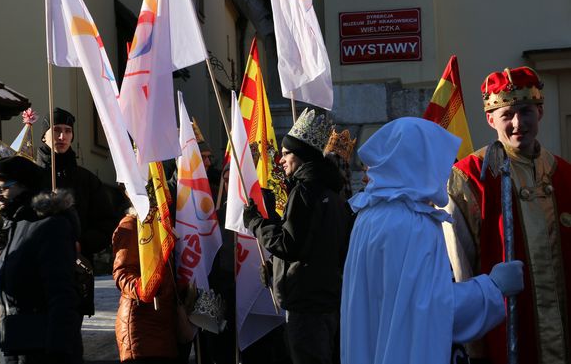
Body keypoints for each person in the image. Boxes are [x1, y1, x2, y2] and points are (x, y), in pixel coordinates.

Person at [342, 117, 523, 364]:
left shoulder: (370, 215)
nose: (446, 172)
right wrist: (492, 288)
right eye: (439, 163)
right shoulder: (414, 223)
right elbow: (431, 311)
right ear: (419, 163)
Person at [445, 66, 571, 364]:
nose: (518, 123)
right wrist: (473, 346)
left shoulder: (564, 174)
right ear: (490, 119)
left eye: (526, 111)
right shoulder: (469, 179)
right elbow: (459, 268)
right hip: (504, 337)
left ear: (540, 112)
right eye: (507, 114)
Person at [243, 108, 351, 364]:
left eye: (286, 153)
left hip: (306, 307)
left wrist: (255, 223)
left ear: (301, 155)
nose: (280, 160)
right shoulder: (334, 195)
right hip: (326, 302)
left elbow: (289, 244)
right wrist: (275, 267)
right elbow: (316, 248)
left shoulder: (305, 192)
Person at [0, 155, 82, 364]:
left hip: (40, 352)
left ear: (24, 186)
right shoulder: (16, 224)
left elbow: (62, 297)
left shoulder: (50, 226)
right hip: (12, 348)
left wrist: (58, 352)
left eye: (2, 189)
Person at [37, 107, 116, 262]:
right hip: (37, 265)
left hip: (78, 267)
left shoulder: (86, 179)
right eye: (56, 130)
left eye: (68, 131)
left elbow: (107, 223)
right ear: (43, 136)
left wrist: (82, 244)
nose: (62, 136)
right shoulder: (31, 175)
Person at [112, 201, 179, 364]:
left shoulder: (163, 224)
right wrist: (143, 288)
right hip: (141, 325)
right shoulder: (131, 224)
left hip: (164, 321)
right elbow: (122, 273)